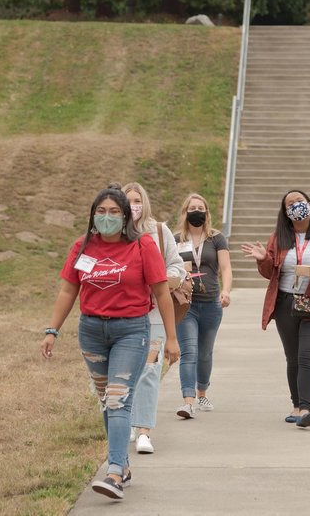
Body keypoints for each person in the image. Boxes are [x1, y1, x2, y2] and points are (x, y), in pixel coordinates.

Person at [41, 184, 180, 501]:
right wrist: (53, 330)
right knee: (107, 400)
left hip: (131, 331)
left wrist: (171, 338)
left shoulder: (143, 246)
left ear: (126, 216)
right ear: (92, 215)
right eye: (101, 211)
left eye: (114, 211)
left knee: (117, 399)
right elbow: (67, 291)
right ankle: (124, 465)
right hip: (91, 331)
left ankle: (115, 471)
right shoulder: (83, 246)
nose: (107, 217)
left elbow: (161, 292)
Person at [241, 190, 310, 428]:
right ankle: (295, 404)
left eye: (300, 201)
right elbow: (270, 273)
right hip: (286, 304)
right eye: (290, 204)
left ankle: (305, 408)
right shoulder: (278, 238)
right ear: (285, 212)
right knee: (293, 358)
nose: (296, 206)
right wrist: (263, 259)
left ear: (309, 204)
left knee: (308, 357)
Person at [123, 182, 187, 455]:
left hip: (154, 314)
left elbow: (177, 265)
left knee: (149, 371)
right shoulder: (112, 233)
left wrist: (168, 278)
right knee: (123, 374)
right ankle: (123, 419)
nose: (133, 205)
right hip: (123, 314)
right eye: (128, 201)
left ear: (145, 202)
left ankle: (143, 431)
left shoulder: (159, 232)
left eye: (137, 200)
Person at [173, 193, 232, 418]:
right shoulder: (176, 238)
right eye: (192, 207)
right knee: (189, 351)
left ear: (206, 213)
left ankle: (202, 392)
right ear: (185, 212)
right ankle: (188, 401)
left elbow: (225, 268)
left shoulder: (216, 238)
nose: (196, 210)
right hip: (185, 303)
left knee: (205, 353)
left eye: (201, 207)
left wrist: (226, 291)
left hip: (211, 304)